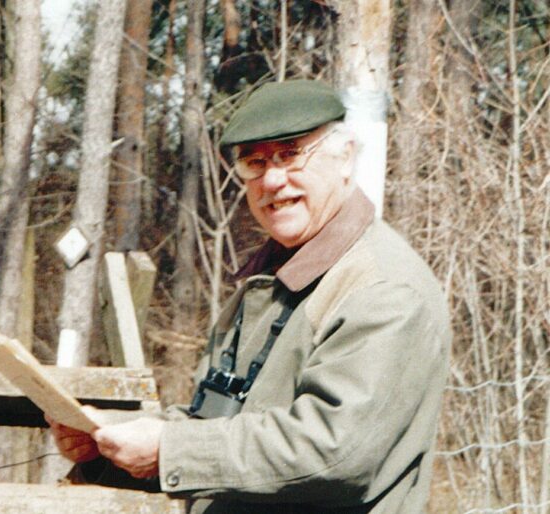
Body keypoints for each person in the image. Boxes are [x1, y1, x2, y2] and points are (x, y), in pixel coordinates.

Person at [47, 79, 452, 513]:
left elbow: (334, 450)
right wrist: (109, 446)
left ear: (346, 158)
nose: (274, 180)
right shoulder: (269, 281)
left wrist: (170, 450)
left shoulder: (383, 289)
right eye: (255, 163)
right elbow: (219, 426)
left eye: (291, 154)